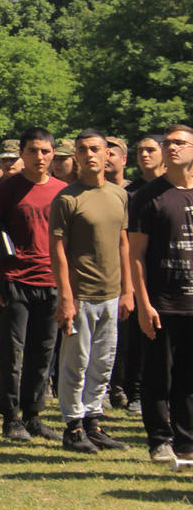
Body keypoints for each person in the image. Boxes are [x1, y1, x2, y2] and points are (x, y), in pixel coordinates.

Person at [0, 128, 66, 442]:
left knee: (43, 353)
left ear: (53, 154)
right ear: (22, 154)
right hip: (13, 281)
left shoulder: (63, 191)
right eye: (32, 151)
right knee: (10, 353)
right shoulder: (5, 190)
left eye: (45, 151)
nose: (39, 157)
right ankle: (10, 417)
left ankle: (33, 415)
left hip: (51, 282)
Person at [50, 130, 132, 454]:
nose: (90, 155)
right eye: (82, 150)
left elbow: (123, 243)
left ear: (107, 153)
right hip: (81, 293)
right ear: (77, 157)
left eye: (95, 149)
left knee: (103, 361)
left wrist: (129, 290)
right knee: (76, 361)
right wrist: (66, 296)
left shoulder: (119, 195)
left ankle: (93, 422)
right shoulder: (68, 198)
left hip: (111, 293)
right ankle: (72, 426)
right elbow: (57, 249)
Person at [128, 123, 193, 463]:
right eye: (168, 143)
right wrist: (143, 302)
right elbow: (135, 253)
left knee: (189, 376)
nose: (172, 148)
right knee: (158, 374)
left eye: (180, 143)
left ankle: (187, 442)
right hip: (161, 301)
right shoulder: (148, 196)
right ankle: (159, 440)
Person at [111, 134, 165, 413]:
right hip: (139, 270)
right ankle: (133, 392)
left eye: (151, 150)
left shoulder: (178, 189)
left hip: (173, 274)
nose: (145, 154)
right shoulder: (133, 194)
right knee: (135, 337)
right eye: (141, 150)